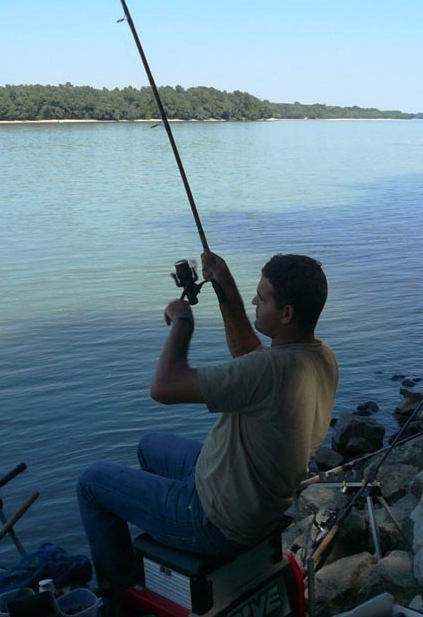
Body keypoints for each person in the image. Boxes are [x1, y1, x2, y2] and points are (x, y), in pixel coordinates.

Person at [75, 250, 339, 597]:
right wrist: (225, 286)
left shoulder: (270, 372)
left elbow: (164, 387)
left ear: (286, 313)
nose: (253, 301)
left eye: (261, 299)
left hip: (216, 521)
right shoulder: (318, 355)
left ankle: (117, 600)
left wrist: (182, 323)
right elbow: (249, 351)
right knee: (150, 444)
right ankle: (160, 543)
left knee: (92, 483)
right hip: (251, 501)